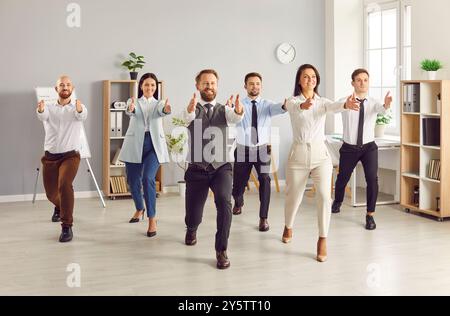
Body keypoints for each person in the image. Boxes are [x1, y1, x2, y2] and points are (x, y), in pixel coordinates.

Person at [283, 64, 359, 262]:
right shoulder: (293, 101)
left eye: (314, 77)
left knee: (325, 196)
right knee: (293, 198)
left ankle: (322, 238)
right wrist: (302, 106)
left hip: (320, 156)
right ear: (299, 80)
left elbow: (334, 107)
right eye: (306, 77)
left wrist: (346, 105)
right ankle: (288, 225)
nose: (310, 80)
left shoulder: (323, 102)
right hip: (298, 155)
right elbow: (291, 107)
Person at [183, 69, 244, 270]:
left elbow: (235, 118)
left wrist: (238, 111)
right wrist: (190, 109)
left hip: (221, 167)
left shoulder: (224, 110)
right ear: (198, 86)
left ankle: (221, 250)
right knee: (194, 214)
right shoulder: (192, 109)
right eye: (205, 83)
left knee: (225, 202)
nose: (209, 86)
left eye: (213, 83)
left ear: (217, 86)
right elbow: (186, 118)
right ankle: (191, 228)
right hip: (197, 169)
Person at [331, 68, 393, 230]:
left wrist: (386, 105)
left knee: (372, 179)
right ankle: (337, 201)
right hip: (349, 148)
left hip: (369, 148)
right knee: (343, 178)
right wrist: (345, 105)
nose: (362, 83)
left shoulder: (373, 102)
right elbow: (334, 108)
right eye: (359, 80)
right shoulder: (345, 101)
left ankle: (370, 215)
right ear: (353, 83)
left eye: (365, 80)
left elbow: (382, 109)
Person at [232, 72, 287, 232]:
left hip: (262, 149)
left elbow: (279, 108)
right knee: (238, 185)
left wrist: (284, 106)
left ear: (261, 86)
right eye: (251, 83)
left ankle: (263, 218)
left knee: (265, 179)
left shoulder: (267, 104)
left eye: (257, 83)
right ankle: (238, 202)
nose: (254, 86)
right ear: (245, 86)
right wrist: (233, 109)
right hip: (243, 149)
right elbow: (232, 114)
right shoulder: (239, 104)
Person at [119, 73, 171, 237]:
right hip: (135, 144)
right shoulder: (132, 101)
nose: (150, 88)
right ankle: (139, 208)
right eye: (147, 85)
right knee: (133, 181)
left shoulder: (160, 103)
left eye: (153, 85)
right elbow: (130, 111)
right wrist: (131, 108)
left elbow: (163, 111)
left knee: (148, 178)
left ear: (156, 88)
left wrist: (166, 110)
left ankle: (152, 219)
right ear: (141, 86)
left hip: (154, 145)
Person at [36, 75, 88, 242]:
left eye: (68, 85)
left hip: (70, 156)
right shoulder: (49, 108)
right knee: (51, 194)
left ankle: (67, 227)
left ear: (71, 88)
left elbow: (82, 115)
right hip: (50, 157)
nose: (65, 87)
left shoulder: (77, 108)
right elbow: (42, 116)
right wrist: (41, 110)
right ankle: (58, 206)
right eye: (61, 85)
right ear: (56, 89)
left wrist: (80, 109)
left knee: (65, 185)